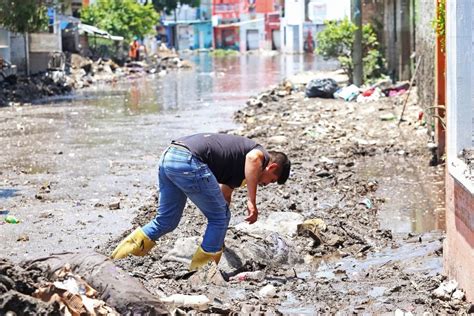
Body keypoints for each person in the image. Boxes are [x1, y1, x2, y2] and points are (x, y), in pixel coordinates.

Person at [111, 133, 291, 270]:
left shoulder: (238, 171)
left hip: (170, 156)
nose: (266, 184)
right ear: (272, 167)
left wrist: (219, 237)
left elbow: (224, 196)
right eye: (271, 180)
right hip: (189, 160)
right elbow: (253, 159)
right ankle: (202, 272)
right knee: (219, 218)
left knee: (166, 221)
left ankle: (115, 261)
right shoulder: (260, 155)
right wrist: (252, 201)